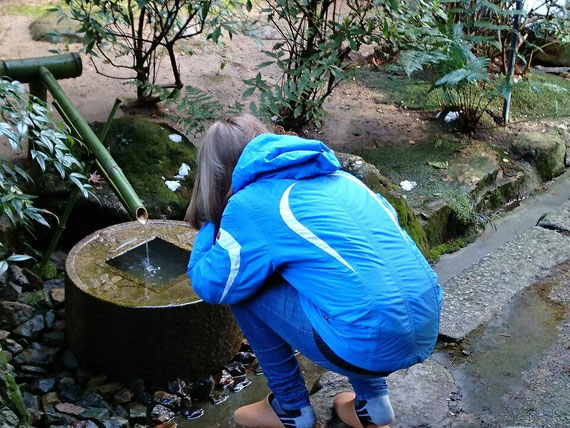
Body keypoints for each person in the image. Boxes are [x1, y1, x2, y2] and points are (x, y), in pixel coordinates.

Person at [186, 114, 443, 428]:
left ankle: (291, 409)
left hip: (364, 344)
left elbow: (212, 284)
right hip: (426, 323)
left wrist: (209, 223)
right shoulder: (345, 179)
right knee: (340, 279)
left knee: (241, 287)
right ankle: (373, 406)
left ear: (218, 173)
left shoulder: (250, 204)